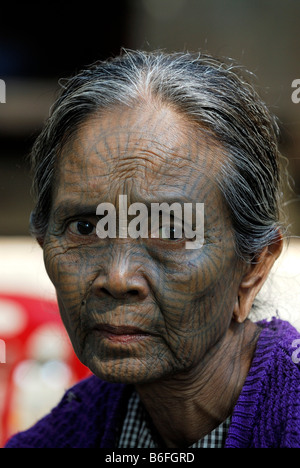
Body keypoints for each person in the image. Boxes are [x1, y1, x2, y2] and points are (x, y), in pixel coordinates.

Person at [5, 50, 300, 448]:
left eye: (170, 231)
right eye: (84, 227)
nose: (118, 278)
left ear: (253, 268)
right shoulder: (63, 436)